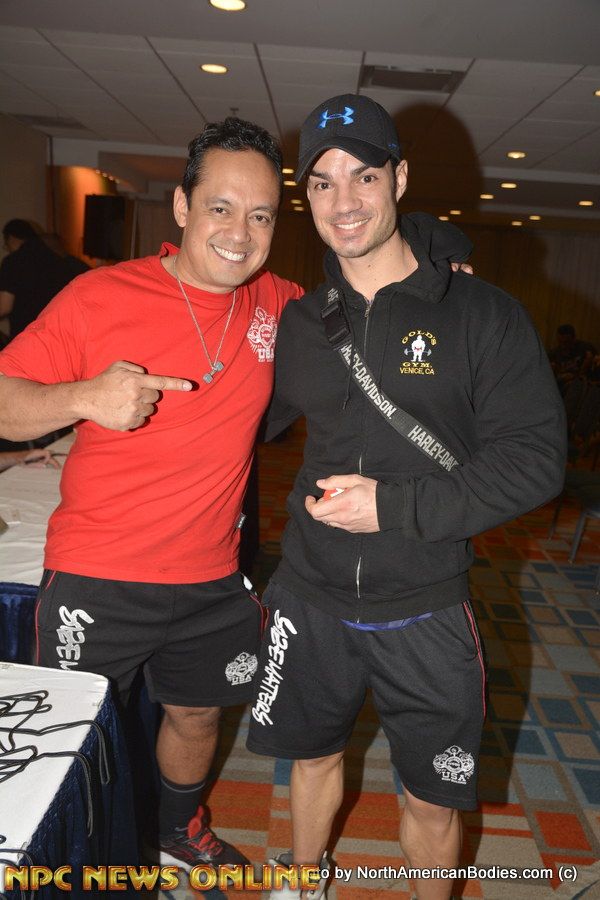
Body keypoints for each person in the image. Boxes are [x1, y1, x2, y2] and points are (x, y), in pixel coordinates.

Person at [0, 115, 473, 874]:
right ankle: (67, 867)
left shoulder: (282, 305)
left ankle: (178, 828)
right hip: (98, 572)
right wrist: (82, 397)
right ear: (181, 207)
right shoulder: (99, 295)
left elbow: (375, 269)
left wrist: (439, 250)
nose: (239, 233)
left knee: (197, 716)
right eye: (220, 208)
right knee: (73, 737)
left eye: (260, 215)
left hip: (214, 578)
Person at [246, 95, 567, 900]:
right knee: (311, 758)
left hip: (424, 601)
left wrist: (394, 507)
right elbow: (239, 420)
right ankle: (303, 883)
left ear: (400, 178)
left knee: (432, 798)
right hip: (310, 590)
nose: (343, 202)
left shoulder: (483, 315)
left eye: (364, 176)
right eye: (322, 183)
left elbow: (535, 461)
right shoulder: (300, 323)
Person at [0, 220, 73, 339]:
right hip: (57, 331)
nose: (7, 248)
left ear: (12, 238)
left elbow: (4, 307)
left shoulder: (13, 261)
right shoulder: (56, 260)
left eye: (6, 244)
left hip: (27, 333)